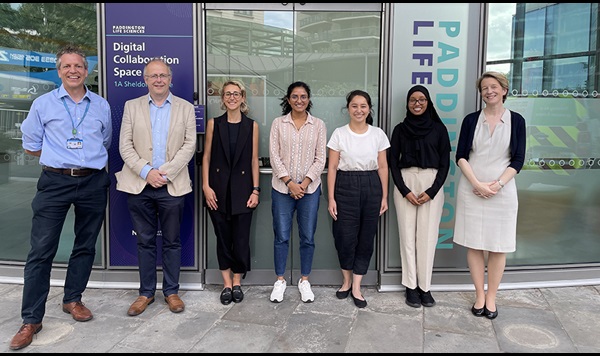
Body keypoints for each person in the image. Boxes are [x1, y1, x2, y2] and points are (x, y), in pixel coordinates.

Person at [10, 44, 112, 350]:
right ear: (59, 71)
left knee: (85, 245)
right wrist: (60, 156)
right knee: (41, 250)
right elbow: (31, 145)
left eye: (78, 66)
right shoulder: (43, 104)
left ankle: (73, 299)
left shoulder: (101, 105)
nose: (73, 71)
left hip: (93, 181)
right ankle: (31, 319)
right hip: (55, 181)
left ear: (86, 70)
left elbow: (104, 140)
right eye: (67, 66)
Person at [116, 58, 197, 317]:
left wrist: (166, 173)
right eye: (154, 76)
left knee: (172, 242)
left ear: (170, 79)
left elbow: (189, 145)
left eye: (163, 75)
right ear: (145, 79)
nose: (159, 79)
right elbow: (124, 145)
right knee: (145, 242)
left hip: (172, 186)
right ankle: (146, 293)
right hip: (140, 186)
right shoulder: (132, 107)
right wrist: (146, 172)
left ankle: (171, 292)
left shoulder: (185, 108)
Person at [454, 71, 526, 320]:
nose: (489, 91)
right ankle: (479, 295)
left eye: (494, 87)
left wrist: (496, 185)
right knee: (474, 244)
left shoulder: (516, 121)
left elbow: (518, 159)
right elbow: (460, 155)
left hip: (502, 193)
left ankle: (492, 296)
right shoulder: (471, 120)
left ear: (504, 90)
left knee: (498, 246)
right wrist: (477, 183)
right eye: (484, 88)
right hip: (471, 190)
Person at [327, 89, 390, 308]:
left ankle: (357, 286)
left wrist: (384, 195)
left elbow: (383, 166)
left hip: (372, 185)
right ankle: (345, 282)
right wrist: (331, 198)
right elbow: (333, 167)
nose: (359, 110)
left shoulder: (378, 134)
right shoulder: (339, 134)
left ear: (369, 109)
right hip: (345, 186)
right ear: (348, 109)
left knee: (365, 237)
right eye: (354, 106)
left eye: (363, 106)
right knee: (344, 236)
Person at [389, 85, 451, 308]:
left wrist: (432, 191)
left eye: (422, 99)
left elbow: (445, 163)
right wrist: (404, 190)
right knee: (406, 237)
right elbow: (392, 163)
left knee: (427, 237)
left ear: (428, 102)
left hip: (431, 183)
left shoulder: (439, 129)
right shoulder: (399, 129)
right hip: (405, 182)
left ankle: (425, 287)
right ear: (407, 103)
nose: (417, 103)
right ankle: (410, 286)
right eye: (413, 100)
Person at [268, 81, 327, 303]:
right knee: (281, 237)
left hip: (309, 190)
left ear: (309, 99)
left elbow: (320, 158)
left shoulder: (319, 125)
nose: (299, 100)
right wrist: (290, 183)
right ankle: (280, 280)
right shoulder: (278, 124)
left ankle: (304, 280)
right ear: (288, 99)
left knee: (307, 237)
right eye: (295, 96)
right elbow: (274, 156)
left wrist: (303, 184)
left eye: (303, 96)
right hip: (282, 190)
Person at [202, 80, 259, 305]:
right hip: (217, 190)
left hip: (244, 191)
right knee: (223, 238)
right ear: (222, 99)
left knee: (241, 239)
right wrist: (206, 187)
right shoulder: (214, 124)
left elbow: (254, 159)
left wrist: (256, 190)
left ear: (243, 97)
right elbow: (206, 157)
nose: (232, 97)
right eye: (228, 94)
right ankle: (226, 284)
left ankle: (237, 281)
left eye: (236, 94)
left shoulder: (251, 126)